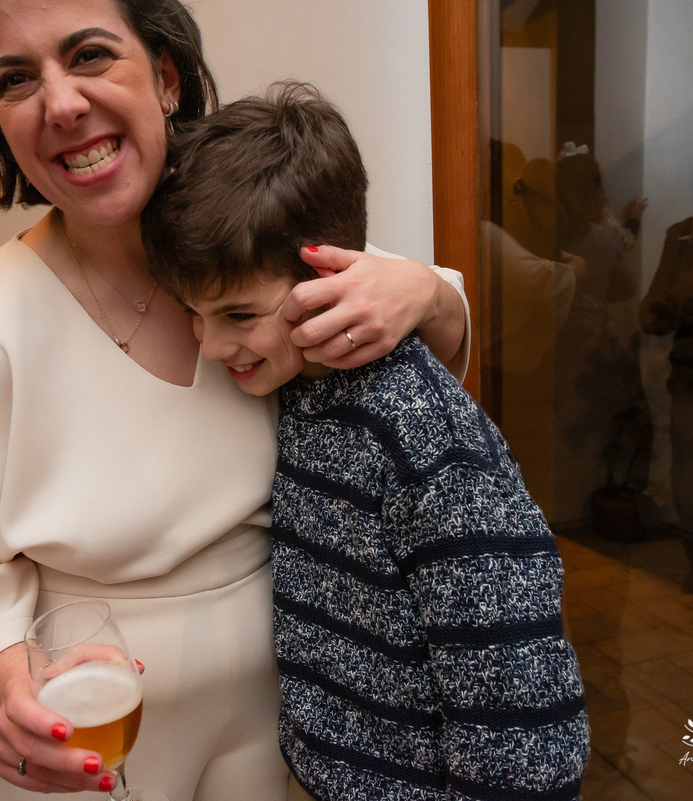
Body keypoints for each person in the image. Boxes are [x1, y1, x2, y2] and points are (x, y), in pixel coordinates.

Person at [0, 1, 472, 800]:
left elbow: (422, 352)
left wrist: (425, 292)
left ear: (165, 76)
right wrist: (20, 692)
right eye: (16, 80)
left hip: (286, 720)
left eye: (89, 55)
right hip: (99, 744)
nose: (61, 104)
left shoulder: (247, 232)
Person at [142, 83, 589, 801]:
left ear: (328, 277)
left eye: (237, 314)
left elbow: (522, 721)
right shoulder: (302, 387)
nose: (211, 343)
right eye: (194, 314)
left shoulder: (425, 443)